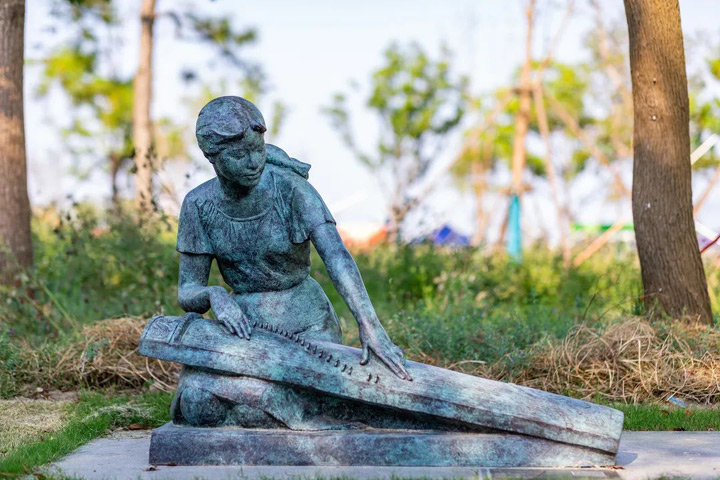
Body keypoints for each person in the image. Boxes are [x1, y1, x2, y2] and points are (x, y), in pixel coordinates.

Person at [172, 96, 410, 428]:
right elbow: (188, 290)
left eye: (258, 150)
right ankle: (267, 407)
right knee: (197, 404)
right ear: (212, 157)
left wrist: (370, 326)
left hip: (306, 323)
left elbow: (337, 256)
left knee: (265, 407)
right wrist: (214, 295)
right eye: (239, 155)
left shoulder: (292, 189)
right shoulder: (198, 205)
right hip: (244, 331)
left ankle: (271, 408)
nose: (254, 162)